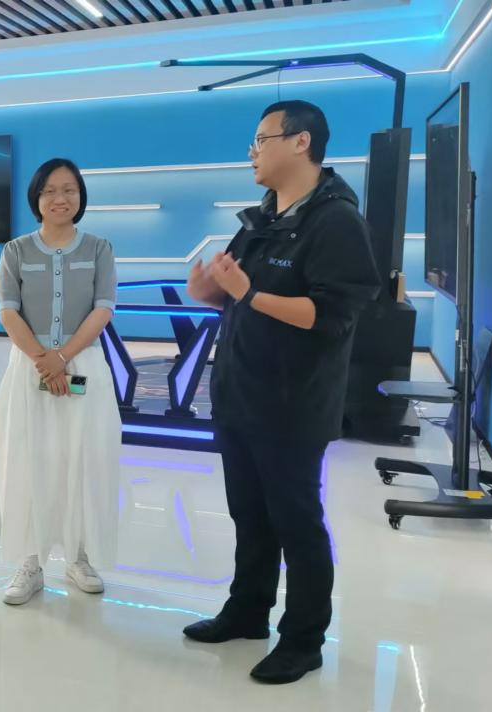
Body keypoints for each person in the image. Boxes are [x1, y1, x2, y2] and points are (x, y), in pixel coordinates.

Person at [184, 100, 379, 684]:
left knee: (296, 522)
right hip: (240, 394)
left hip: (293, 404)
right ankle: (247, 611)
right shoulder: (262, 217)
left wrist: (247, 293)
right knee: (249, 514)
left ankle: (304, 639)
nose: (253, 152)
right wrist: (210, 290)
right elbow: (235, 296)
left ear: (301, 142)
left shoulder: (336, 221)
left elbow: (331, 315)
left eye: (261, 139)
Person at [0, 157, 121, 606]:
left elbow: (103, 309)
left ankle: (79, 557)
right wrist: (44, 361)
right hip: (29, 368)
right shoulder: (16, 251)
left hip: (83, 364)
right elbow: (8, 312)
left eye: (69, 190)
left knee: (83, 458)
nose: (59, 198)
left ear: (80, 196)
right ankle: (30, 562)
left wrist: (62, 357)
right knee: (28, 458)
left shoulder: (100, 249)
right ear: (37, 198)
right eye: (49, 190)